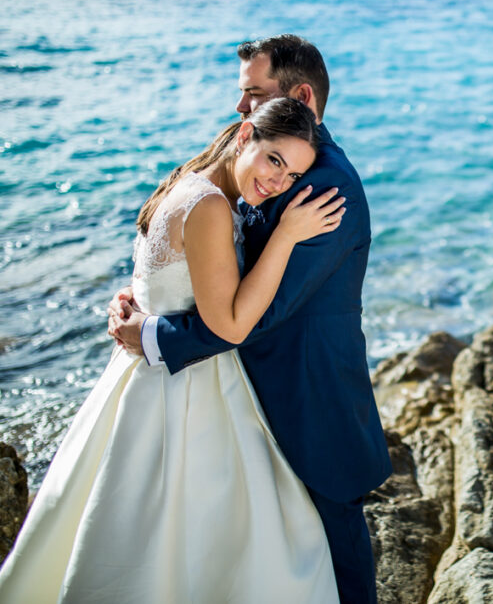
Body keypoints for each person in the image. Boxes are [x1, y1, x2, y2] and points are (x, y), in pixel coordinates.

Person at [0, 97, 345, 602]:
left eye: (292, 176)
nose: (278, 183)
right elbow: (230, 325)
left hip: (145, 375)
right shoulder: (209, 206)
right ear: (245, 136)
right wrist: (287, 236)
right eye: (275, 160)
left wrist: (133, 302)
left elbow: (161, 277)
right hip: (184, 391)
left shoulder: (190, 179)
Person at [109, 34, 393, 603]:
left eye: (254, 93)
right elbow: (210, 247)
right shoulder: (263, 149)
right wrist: (151, 289)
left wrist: (154, 333)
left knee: (334, 558)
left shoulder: (326, 185)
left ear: (302, 97)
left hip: (307, 397)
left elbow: (263, 312)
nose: (240, 105)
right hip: (240, 394)